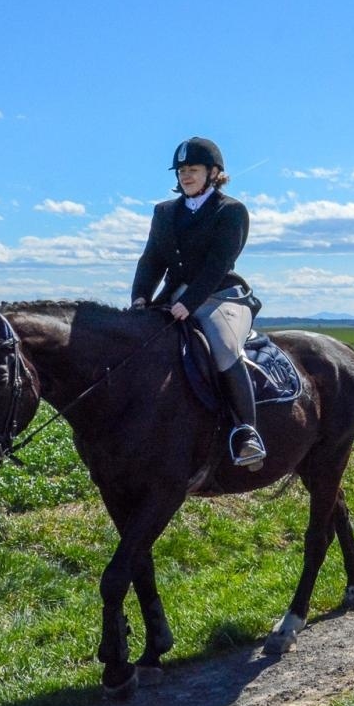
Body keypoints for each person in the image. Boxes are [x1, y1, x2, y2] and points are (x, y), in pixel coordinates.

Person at [131, 137, 266, 469]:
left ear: (214, 173)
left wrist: (189, 303)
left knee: (221, 345)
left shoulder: (231, 211)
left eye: (193, 169)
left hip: (221, 296)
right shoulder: (164, 212)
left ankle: (247, 432)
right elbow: (151, 260)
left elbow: (218, 264)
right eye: (181, 171)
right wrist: (140, 297)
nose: (185, 176)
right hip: (174, 297)